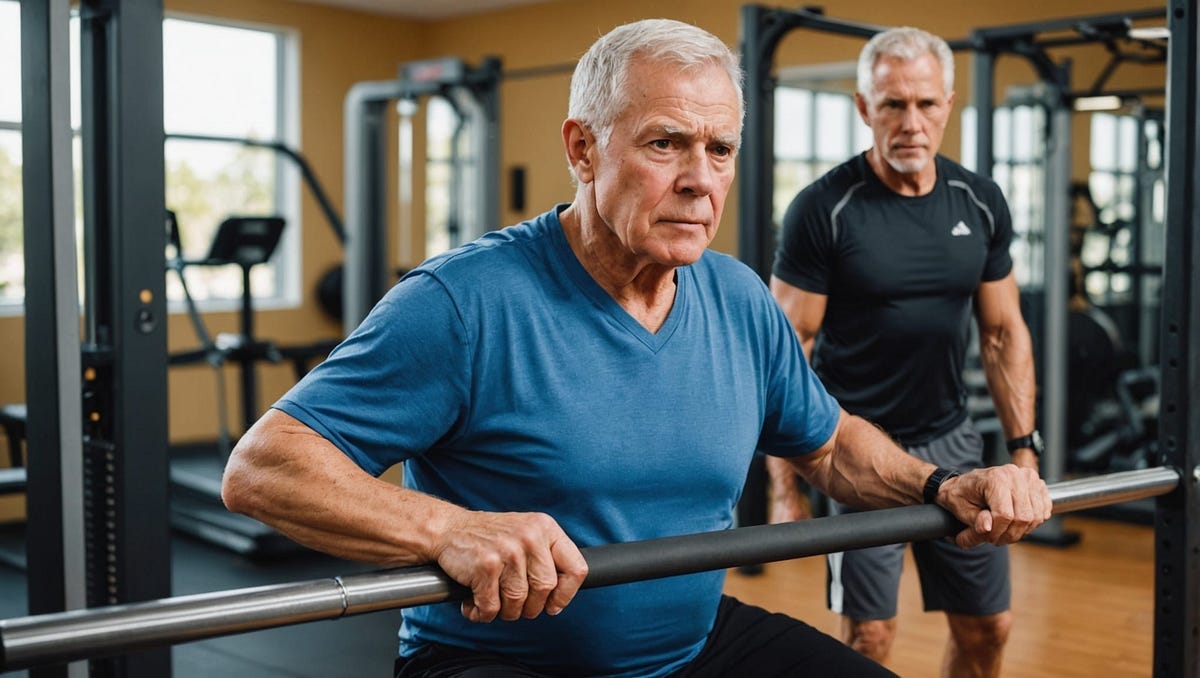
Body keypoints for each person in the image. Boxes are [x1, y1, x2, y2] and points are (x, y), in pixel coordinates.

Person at [222, 18, 1050, 678]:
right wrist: (447, 529)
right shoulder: (464, 303)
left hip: (693, 650)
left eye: (718, 149)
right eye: (665, 144)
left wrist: (944, 483)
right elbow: (264, 466)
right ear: (582, 148)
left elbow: (830, 445)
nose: (700, 179)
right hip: (496, 658)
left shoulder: (737, 298)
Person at [768, 26, 1042, 678]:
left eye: (924, 103)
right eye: (892, 104)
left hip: (951, 442)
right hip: (855, 452)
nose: (910, 122)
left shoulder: (978, 201)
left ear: (948, 104)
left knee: (989, 628)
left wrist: (1025, 454)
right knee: (870, 638)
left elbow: (1004, 333)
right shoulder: (823, 209)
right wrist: (784, 487)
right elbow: (784, 352)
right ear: (865, 108)